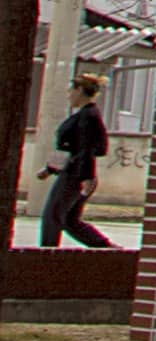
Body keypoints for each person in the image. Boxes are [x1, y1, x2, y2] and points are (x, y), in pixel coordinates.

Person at [30, 70, 114, 252]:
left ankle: (47, 254)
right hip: (74, 172)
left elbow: (88, 149)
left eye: (70, 91)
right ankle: (106, 248)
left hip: (75, 175)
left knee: (53, 215)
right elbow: (67, 148)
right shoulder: (83, 116)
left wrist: (87, 177)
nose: (68, 95)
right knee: (69, 220)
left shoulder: (89, 116)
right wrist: (50, 169)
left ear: (80, 91)